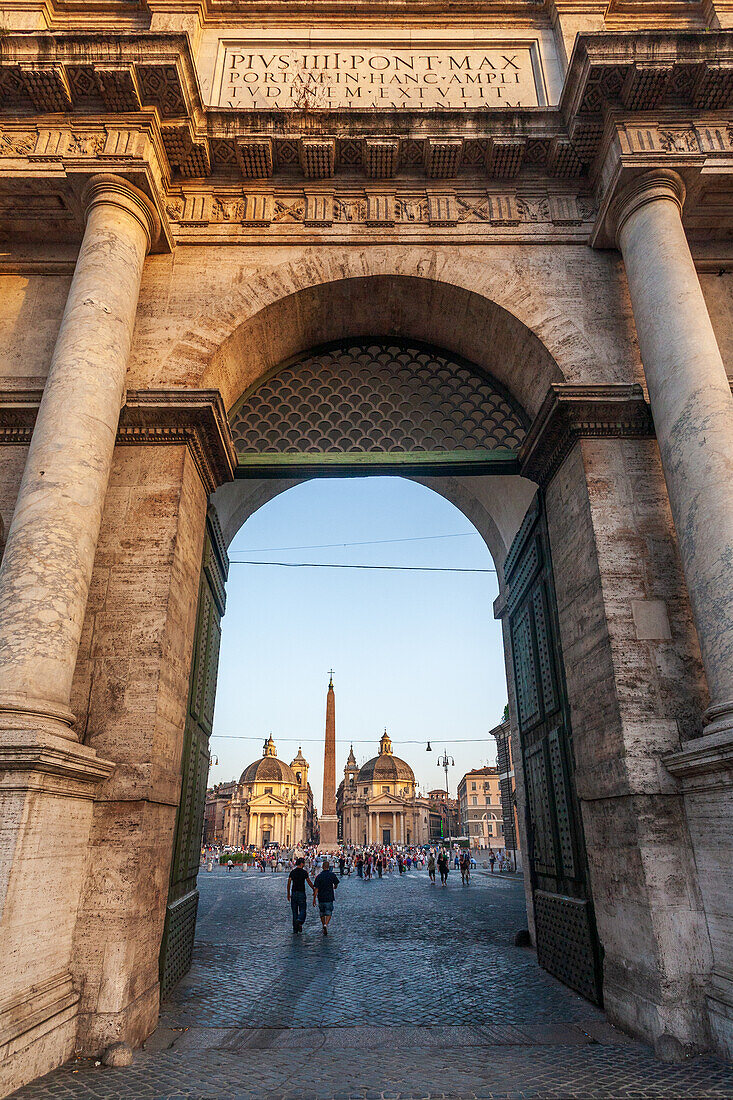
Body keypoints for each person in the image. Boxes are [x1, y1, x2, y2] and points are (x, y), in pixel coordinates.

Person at [287, 857, 315, 933]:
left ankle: (295, 928)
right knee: (303, 909)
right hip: (301, 892)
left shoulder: (293, 872)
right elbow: (309, 882)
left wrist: (288, 893)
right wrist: (313, 888)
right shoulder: (304, 872)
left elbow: (289, 882)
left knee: (294, 911)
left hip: (294, 892)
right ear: (302, 863)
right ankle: (299, 921)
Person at [313, 859, 340, 935]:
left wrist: (314, 899)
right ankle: (326, 924)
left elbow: (316, 889)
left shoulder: (319, 876)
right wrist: (335, 886)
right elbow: (336, 883)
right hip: (329, 896)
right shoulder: (332, 875)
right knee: (329, 912)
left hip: (321, 897)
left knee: (322, 913)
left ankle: (323, 924)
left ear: (322, 867)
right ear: (328, 867)